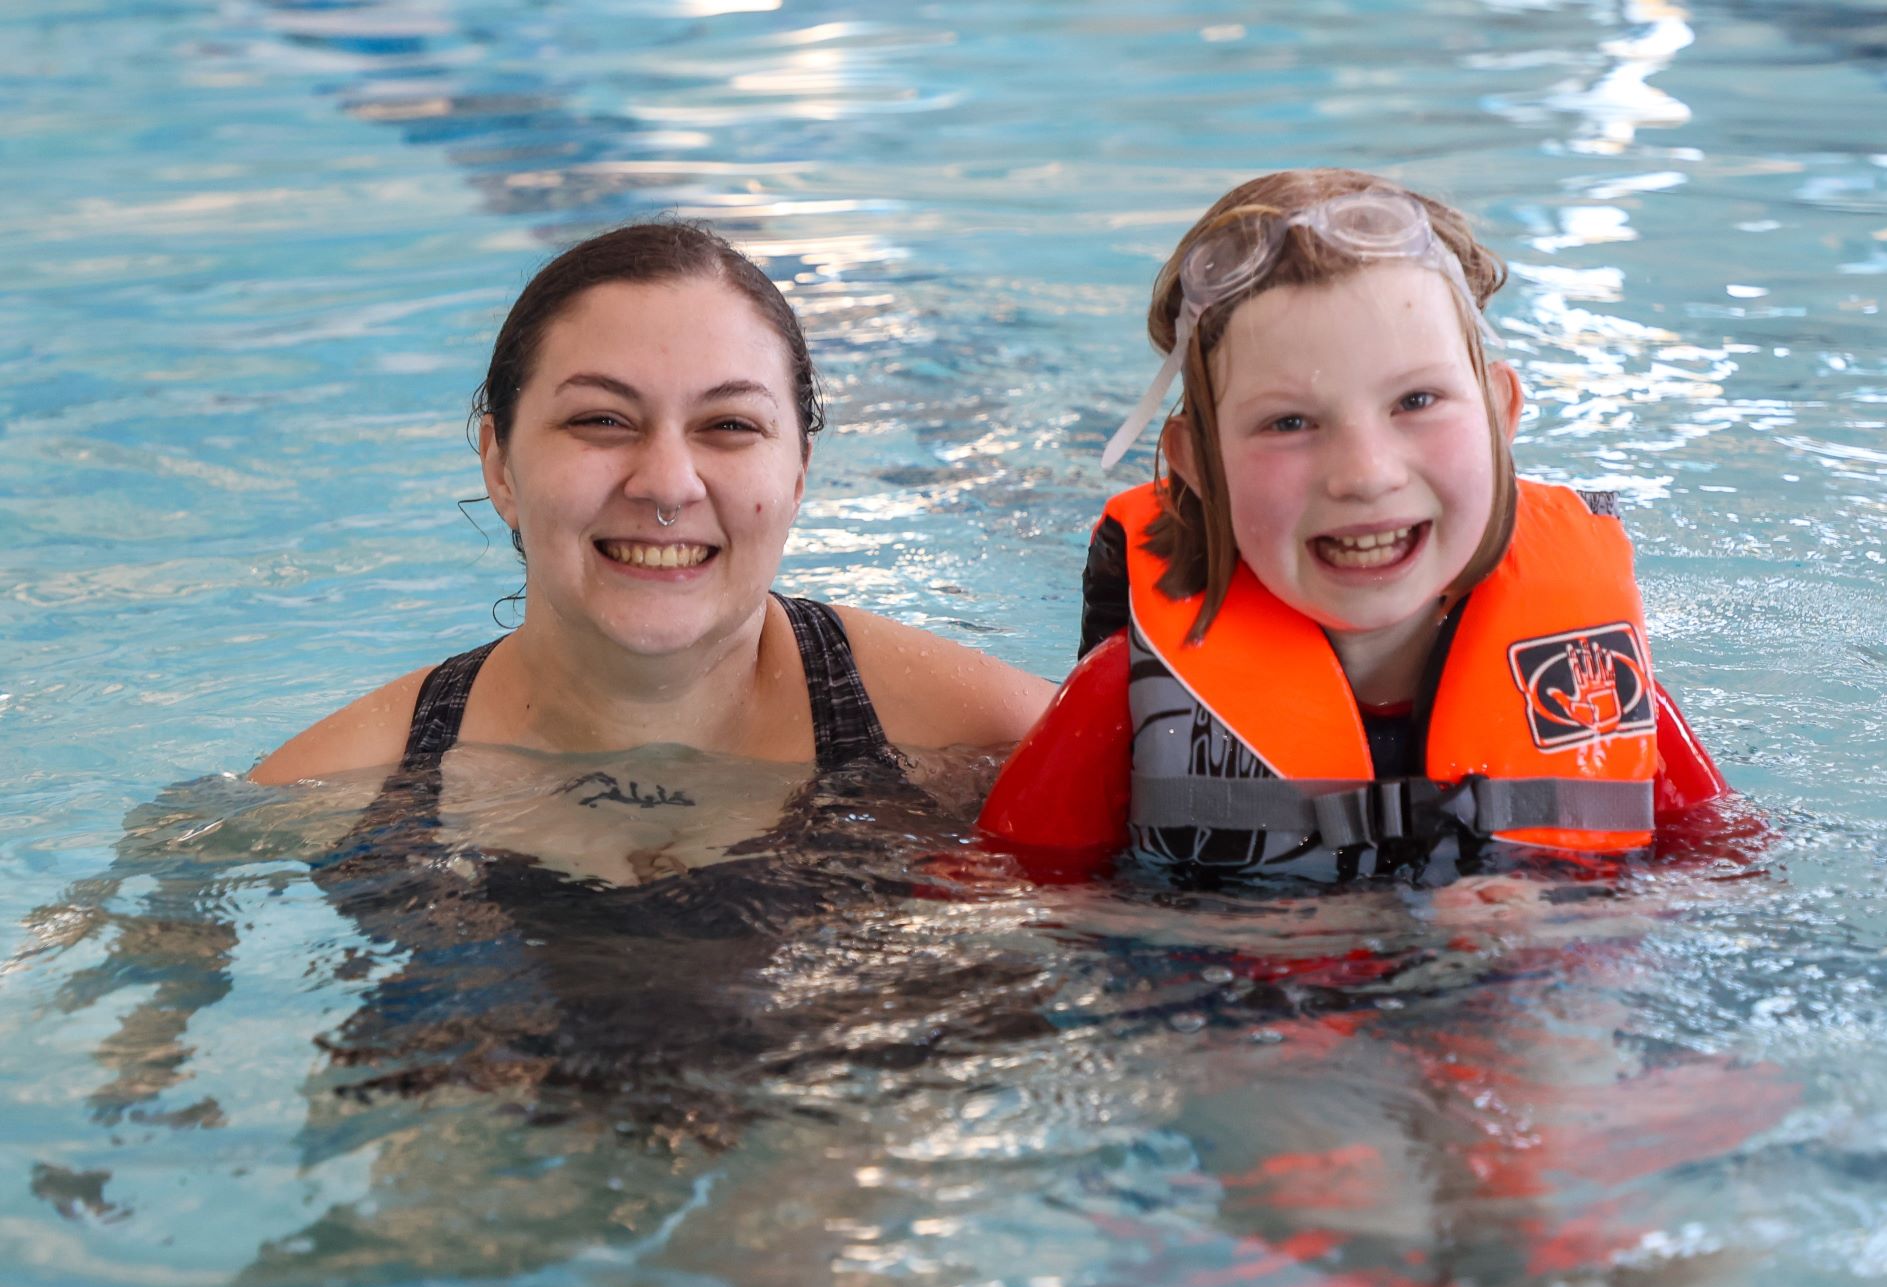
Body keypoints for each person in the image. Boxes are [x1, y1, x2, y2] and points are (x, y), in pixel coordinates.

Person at [980, 168, 1729, 881]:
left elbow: (1726, 879)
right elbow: (1003, 904)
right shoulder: (1121, 698)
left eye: (1416, 402)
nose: (1366, 474)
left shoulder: (1588, 685)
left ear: (1500, 415)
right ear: (1198, 466)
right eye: (1289, 422)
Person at [251, 219, 1051, 879]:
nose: (667, 485)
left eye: (729, 425)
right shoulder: (333, 790)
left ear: (798, 473)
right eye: (601, 421)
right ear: (499, 465)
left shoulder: (995, 737)